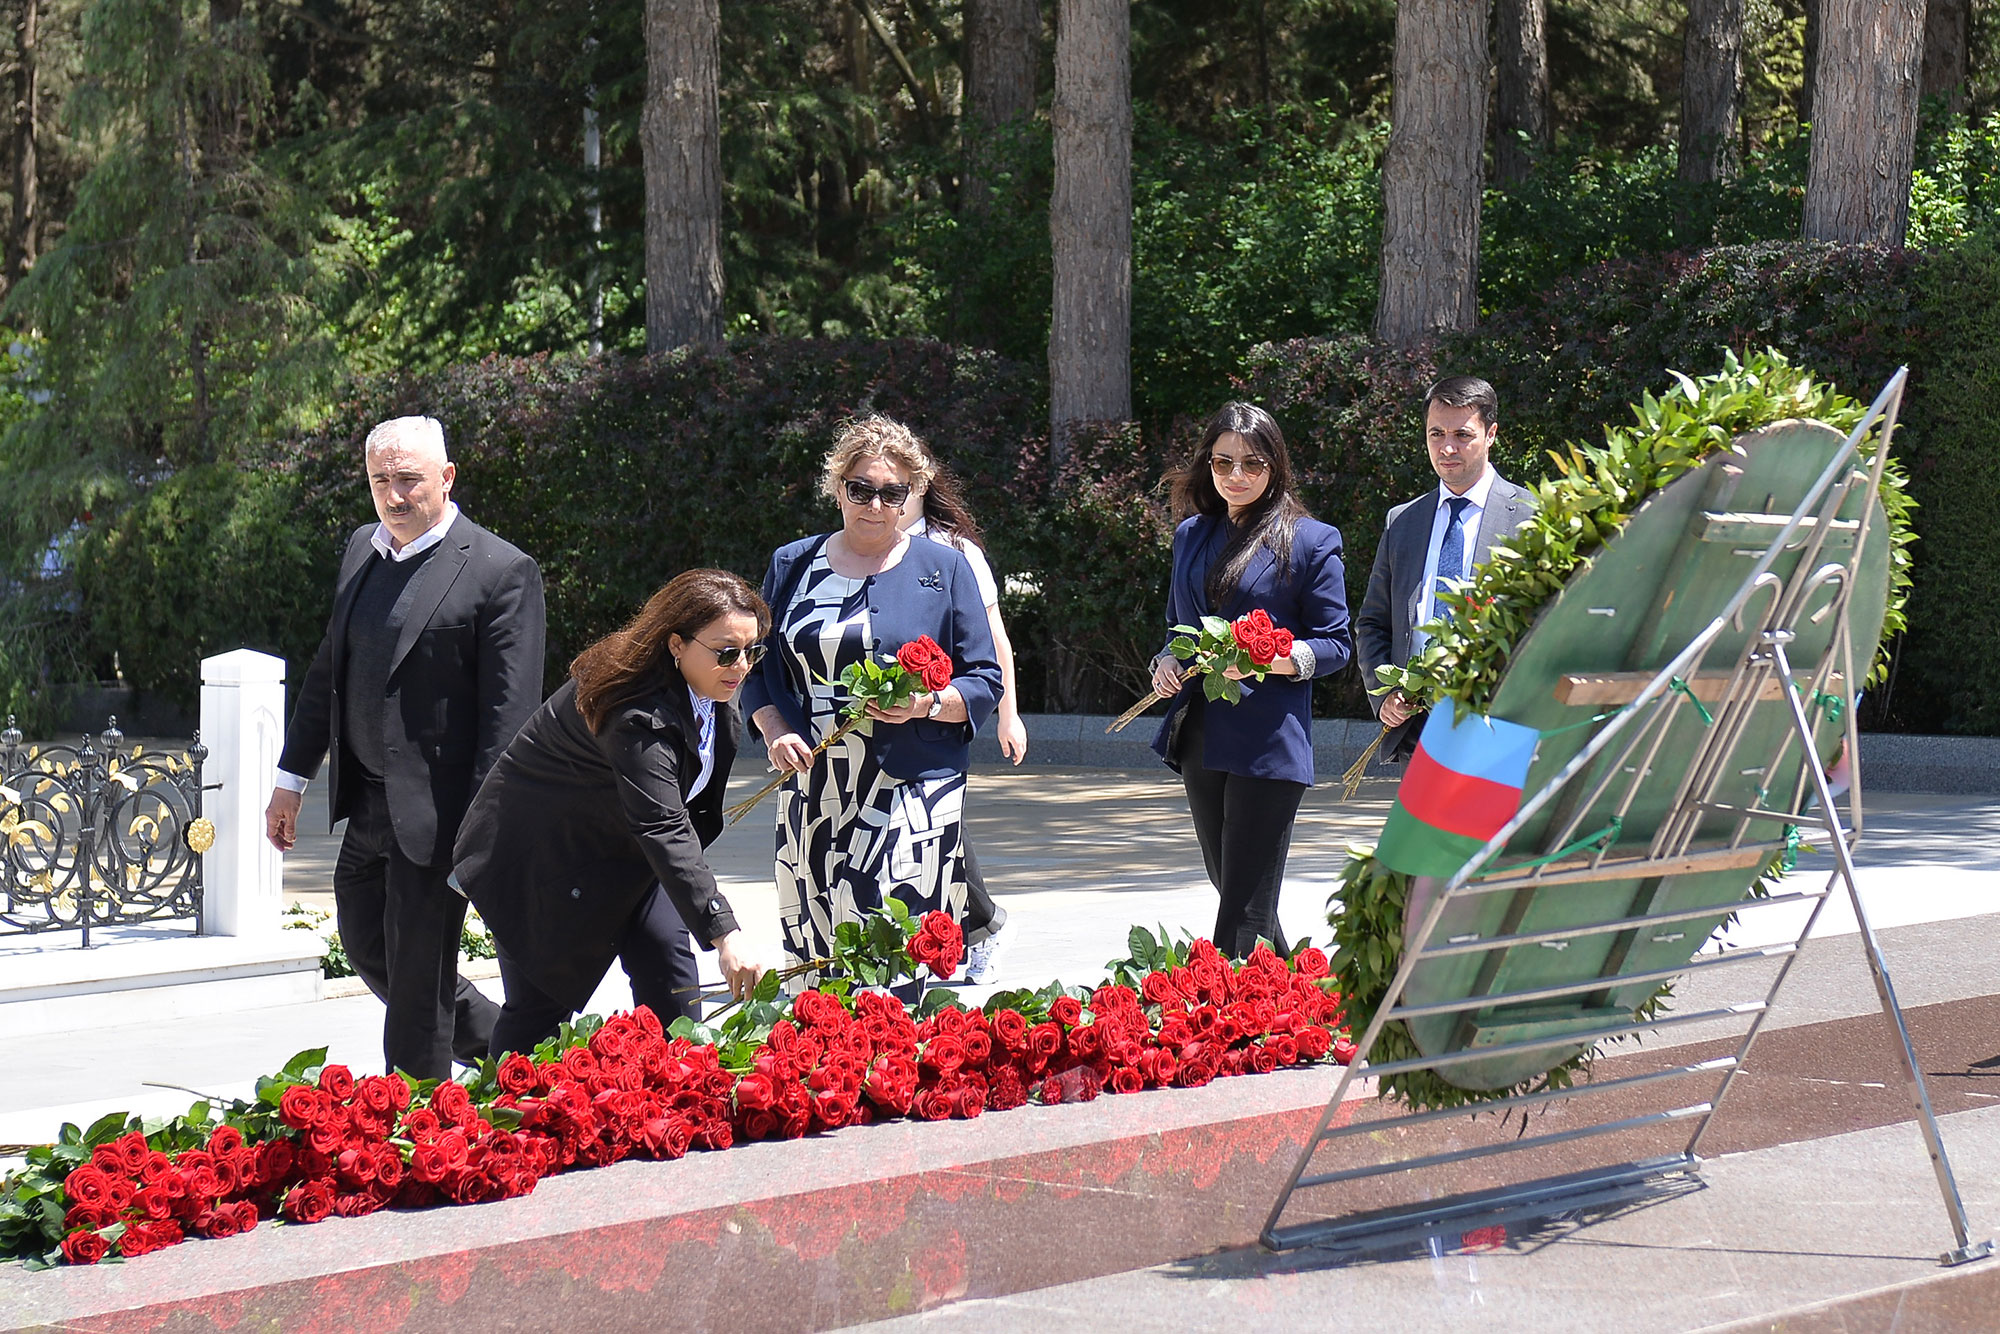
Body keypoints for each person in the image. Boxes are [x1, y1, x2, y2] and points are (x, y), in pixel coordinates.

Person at [266, 415, 545, 1080]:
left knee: (419, 982)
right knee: (367, 945)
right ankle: (516, 1057)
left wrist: (482, 834)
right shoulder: (364, 549)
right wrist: (291, 778)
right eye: (380, 481)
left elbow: (508, 723)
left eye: (409, 480)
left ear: (446, 478)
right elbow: (329, 672)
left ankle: (415, 1127)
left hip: (442, 817)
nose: (394, 496)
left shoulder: (501, 571)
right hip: (367, 805)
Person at [454, 569, 768, 1058]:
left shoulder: (710, 692)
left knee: (669, 966)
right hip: (540, 862)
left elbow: (676, 819)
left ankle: (682, 1096)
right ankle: (495, 1123)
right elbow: (662, 823)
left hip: (628, 855)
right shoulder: (635, 713)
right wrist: (725, 932)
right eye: (727, 652)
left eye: (752, 650)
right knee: (539, 1010)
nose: (742, 666)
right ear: (677, 646)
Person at [742, 415, 1004, 991]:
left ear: (913, 496)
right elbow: (754, 666)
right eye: (861, 489)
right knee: (817, 942)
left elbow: (985, 678)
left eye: (893, 492)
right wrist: (772, 727)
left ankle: (893, 1061)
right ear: (837, 488)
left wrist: (928, 705)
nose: (876, 504)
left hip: (913, 785)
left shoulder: (946, 568)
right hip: (814, 781)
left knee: (895, 935)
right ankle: (826, 1063)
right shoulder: (792, 565)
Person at [1147, 402, 1352, 959]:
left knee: (1242, 908)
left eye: (1252, 464)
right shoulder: (1192, 534)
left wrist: (1268, 659)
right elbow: (1178, 625)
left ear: (1276, 467)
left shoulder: (1311, 540)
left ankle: (1228, 1023)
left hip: (1269, 742)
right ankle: (1300, 1000)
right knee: (1238, 891)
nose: (1236, 476)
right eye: (1222, 463)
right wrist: (1167, 660)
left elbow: (1336, 645)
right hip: (1200, 735)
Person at [1356, 375, 1539, 760]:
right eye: (1436, 434)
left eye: (1462, 434)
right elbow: (1373, 623)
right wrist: (1384, 693)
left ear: (1491, 434)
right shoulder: (1402, 521)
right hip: (1417, 727)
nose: (1447, 447)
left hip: (1497, 725)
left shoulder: (1529, 517)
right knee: (1422, 825)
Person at [895, 458, 1019, 984]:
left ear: (921, 485)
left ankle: (983, 925)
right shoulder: (853, 547)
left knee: (937, 827)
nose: (883, 500)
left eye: (897, 487)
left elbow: (994, 639)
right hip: (876, 719)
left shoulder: (956, 552)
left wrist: (1007, 714)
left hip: (941, 712)